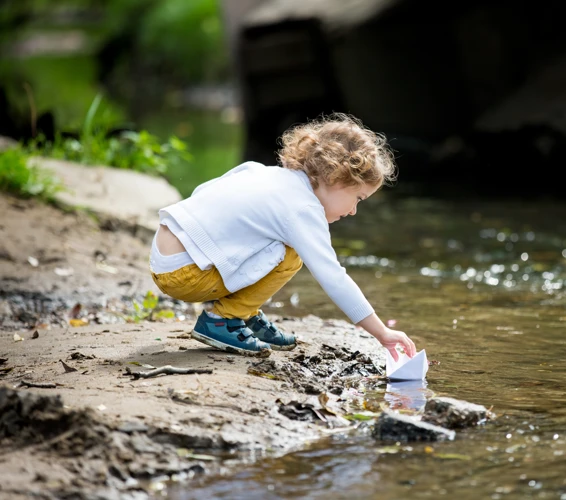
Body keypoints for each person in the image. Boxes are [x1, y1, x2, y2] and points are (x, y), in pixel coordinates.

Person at [149, 112, 417, 362]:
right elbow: (333, 276)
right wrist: (382, 332)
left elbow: (205, 192)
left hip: (164, 256)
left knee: (271, 238)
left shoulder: (262, 172)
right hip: (185, 275)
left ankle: (244, 313)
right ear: (336, 177)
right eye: (358, 198)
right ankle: (223, 319)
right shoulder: (303, 209)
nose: (354, 210)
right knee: (291, 254)